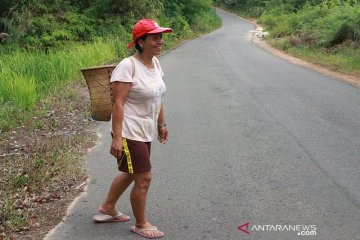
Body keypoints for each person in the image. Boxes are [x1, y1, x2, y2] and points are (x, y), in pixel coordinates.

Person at [93, 19, 172, 239]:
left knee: (130, 171)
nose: (160, 41)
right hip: (129, 131)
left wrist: (161, 123)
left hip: (145, 129)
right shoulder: (128, 66)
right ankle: (141, 223)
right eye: (155, 37)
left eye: (161, 37)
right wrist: (117, 139)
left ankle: (108, 208)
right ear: (141, 41)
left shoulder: (155, 64)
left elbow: (158, 96)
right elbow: (118, 103)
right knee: (144, 177)